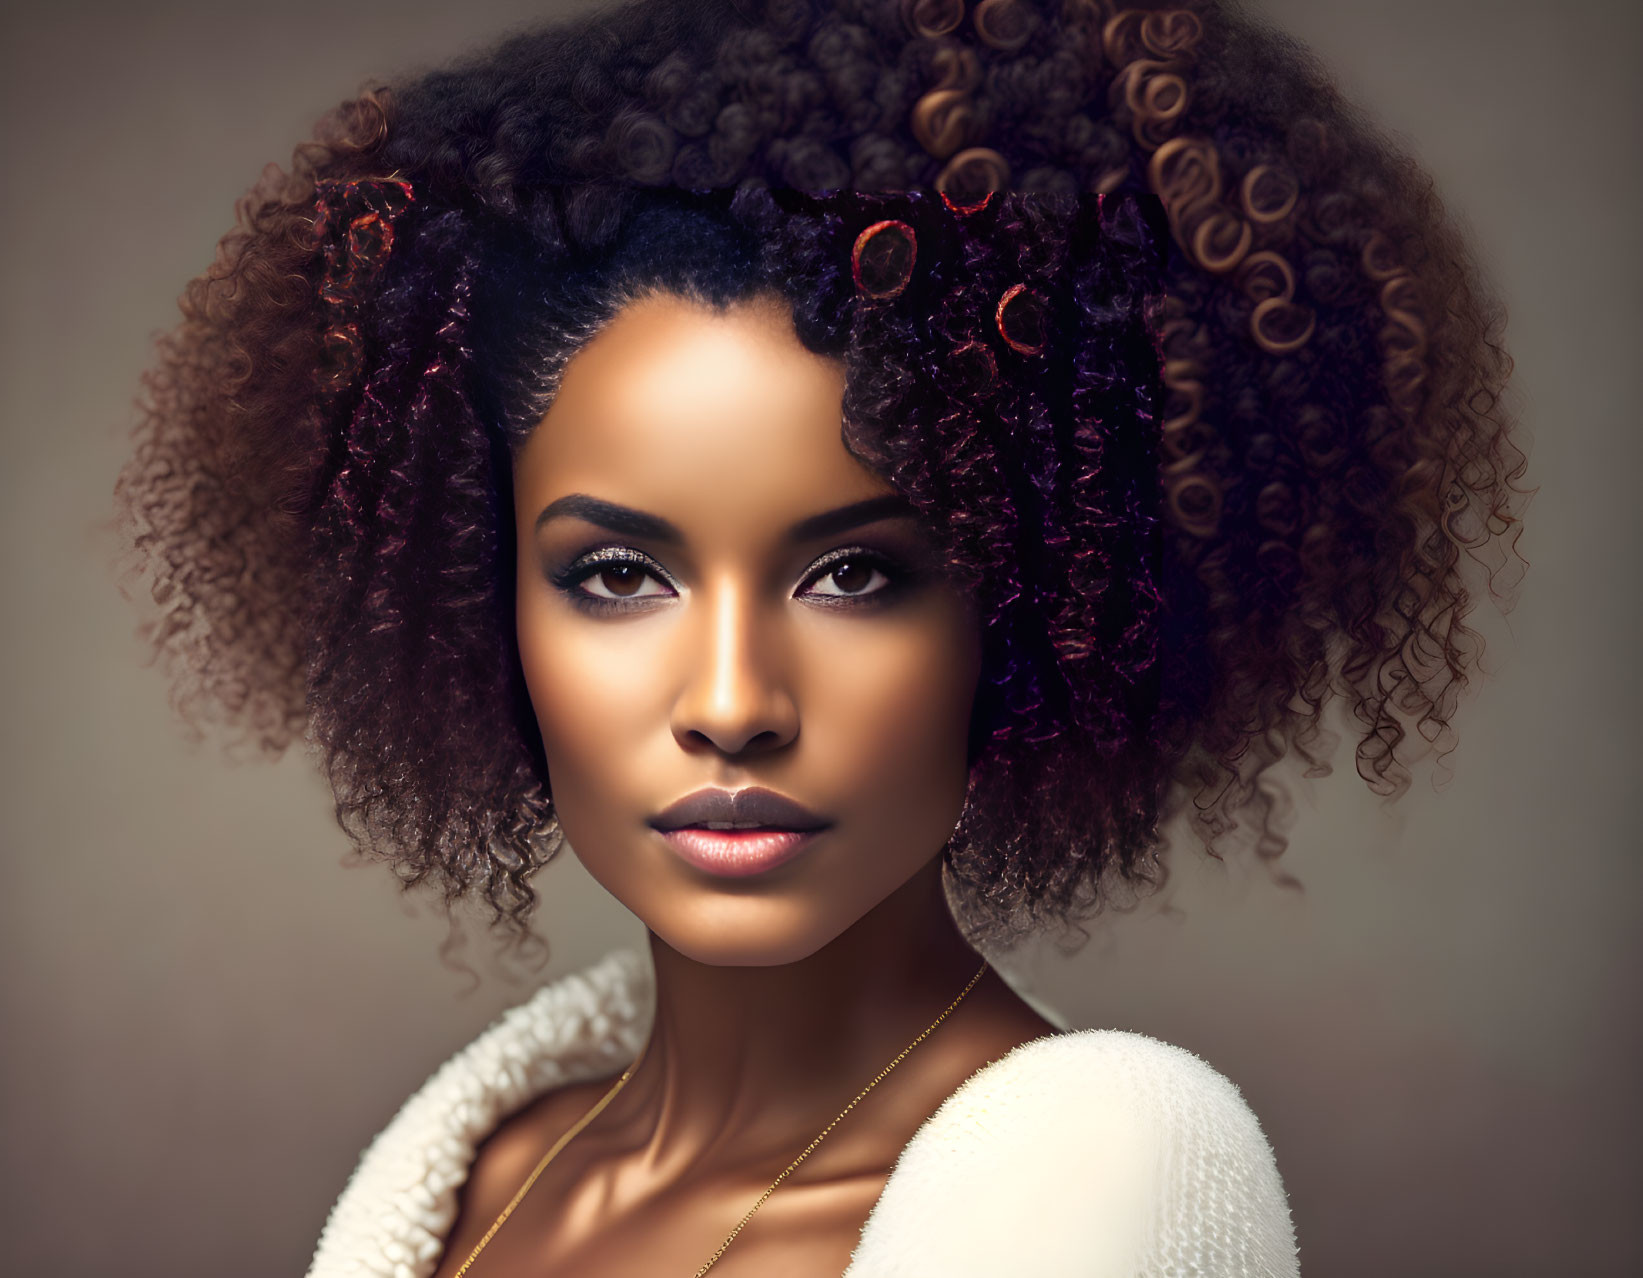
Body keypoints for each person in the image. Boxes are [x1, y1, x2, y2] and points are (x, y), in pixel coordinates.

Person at [113, 0, 1527, 1274]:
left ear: (1028, 612)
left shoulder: (1106, 1175)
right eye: (615, 574)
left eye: (855, 574)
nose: (733, 700)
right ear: (484, 604)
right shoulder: (477, 1175)